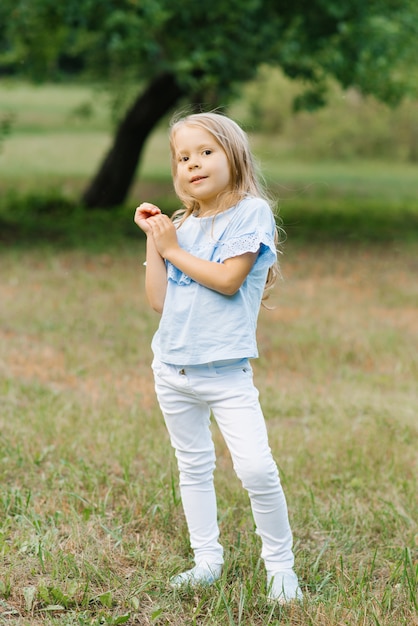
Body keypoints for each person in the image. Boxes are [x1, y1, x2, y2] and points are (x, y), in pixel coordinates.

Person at [134, 111, 302, 604]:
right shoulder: (181, 224)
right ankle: (206, 558)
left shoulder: (251, 214)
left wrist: (172, 248)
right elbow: (159, 302)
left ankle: (280, 567)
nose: (194, 164)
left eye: (206, 152)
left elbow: (228, 280)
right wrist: (156, 243)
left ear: (235, 155)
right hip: (172, 368)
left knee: (255, 469)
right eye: (183, 157)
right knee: (193, 465)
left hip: (226, 374)